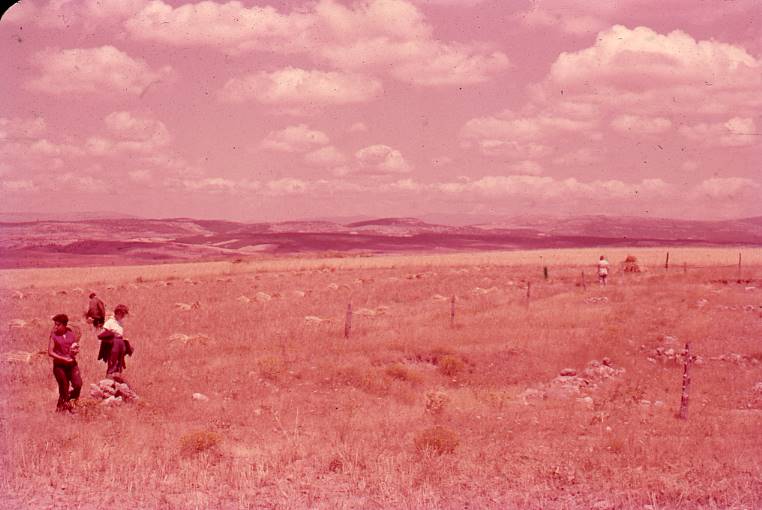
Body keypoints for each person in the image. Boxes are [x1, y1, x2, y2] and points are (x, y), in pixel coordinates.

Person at [48, 314, 82, 413]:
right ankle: (61, 410)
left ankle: (69, 402)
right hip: (59, 366)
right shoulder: (54, 335)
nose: (55, 327)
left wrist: (75, 350)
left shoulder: (70, 333)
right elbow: (50, 352)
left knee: (78, 384)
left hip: (71, 364)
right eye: (55, 324)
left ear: (64, 325)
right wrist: (63, 358)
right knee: (64, 387)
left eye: (58, 325)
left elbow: (74, 346)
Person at [98, 304, 133, 381]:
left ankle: (118, 376)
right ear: (118, 312)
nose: (123, 316)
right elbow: (103, 333)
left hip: (120, 342)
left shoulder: (120, 323)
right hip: (113, 343)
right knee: (112, 360)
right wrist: (110, 338)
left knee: (119, 361)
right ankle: (109, 378)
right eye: (122, 314)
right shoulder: (110, 322)